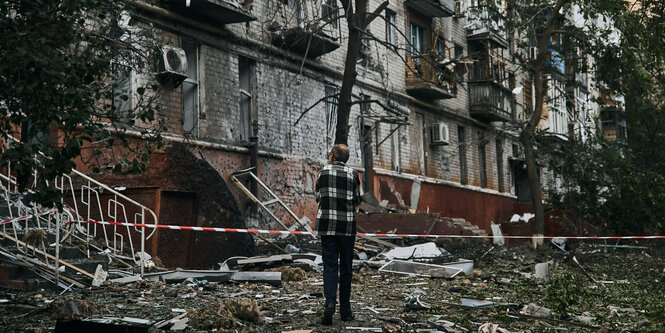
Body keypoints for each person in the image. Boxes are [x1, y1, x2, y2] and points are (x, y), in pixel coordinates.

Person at [315, 144, 361, 325]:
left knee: (330, 266)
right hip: (347, 228)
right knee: (346, 269)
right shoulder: (353, 174)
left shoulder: (322, 172)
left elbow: (318, 196)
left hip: (327, 226)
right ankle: (346, 311)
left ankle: (329, 303)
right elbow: (358, 198)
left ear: (333, 156)